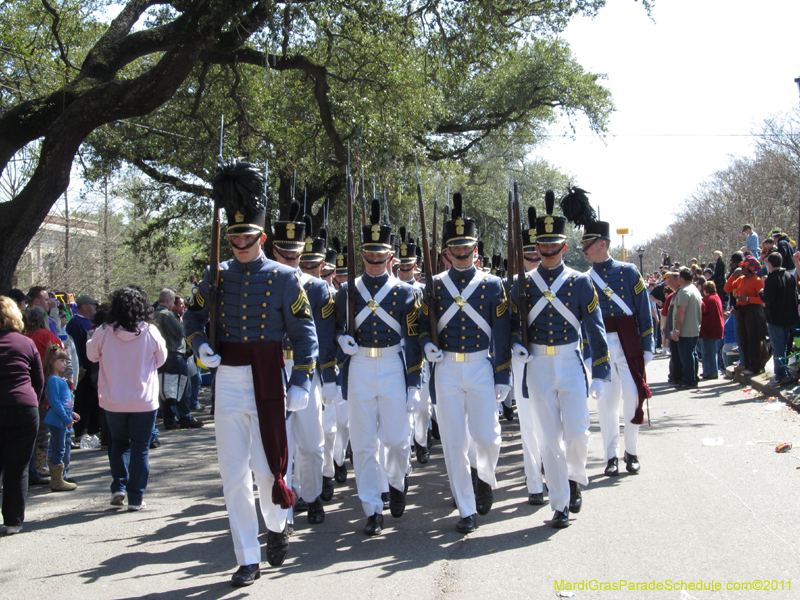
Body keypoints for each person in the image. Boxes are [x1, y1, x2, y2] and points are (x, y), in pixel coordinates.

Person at [183, 160, 318, 587]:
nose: (240, 243)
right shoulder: (215, 275)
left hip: (268, 377)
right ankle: (246, 556)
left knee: (265, 469)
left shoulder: (284, 278)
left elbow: (304, 331)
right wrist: (200, 344)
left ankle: (277, 526)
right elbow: (193, 316)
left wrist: (300, 380)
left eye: (247, 236)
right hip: (228, 378)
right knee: (232, 473)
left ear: (262, 237)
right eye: (234, 237)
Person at [511, 189, 610, 529]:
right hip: (537, 364)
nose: (548, 252)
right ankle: (559, 502)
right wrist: (515, 344)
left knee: (578, 434)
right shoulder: (522, 284)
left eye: (554, 247)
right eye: (543, 247)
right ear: (536, 248)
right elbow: (510, 323)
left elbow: (595, 330)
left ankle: (573, 478)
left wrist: (600, 371)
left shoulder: (580, 282)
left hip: (570, 362)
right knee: (549, 439)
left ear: (564, 247)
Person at [419, 193, 510, 534]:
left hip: (481, 366)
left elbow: (501, 333)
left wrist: (503, 375)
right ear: (445, 251)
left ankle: (485, 477)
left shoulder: (492, 286)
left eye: (466, 247)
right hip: (447, 369)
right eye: (454, 248)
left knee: (488, 438)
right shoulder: (433, 286)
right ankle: (466, 507)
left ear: (476, 248)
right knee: (455, 441)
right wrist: (427, 344)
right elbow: (420, 327)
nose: (460, 253)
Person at [334, 199, 422, 536]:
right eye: (368, 257)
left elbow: (413, 340)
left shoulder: (405, 294)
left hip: (391, 364)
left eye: (379, 258)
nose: (373, 263)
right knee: (364, 442)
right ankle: (371, 506)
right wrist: (342, 340)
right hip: (358, 365)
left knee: (398, 440)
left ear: (391, 258)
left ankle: (397, 481)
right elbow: (334, 330)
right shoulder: (346, 292)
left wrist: (415, 381)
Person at [581, 218, 653, 476]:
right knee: (606, 404)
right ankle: (611, 455)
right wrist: (588, 354)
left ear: (603, 244)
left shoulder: (629, 271)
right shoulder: (584, 279)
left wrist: (647, 345)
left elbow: (643, 310)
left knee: (633, 395)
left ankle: (631, 451)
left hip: (628, 343)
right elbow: (582, 323)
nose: (584, 250)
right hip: (601, 346)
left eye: (587, 244)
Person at [87, 287, 167, 512]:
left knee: (119, 444)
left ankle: (118, 487)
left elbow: (91, 354)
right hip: (143, 400)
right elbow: (161, 359)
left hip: (114, 398)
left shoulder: (104, 331)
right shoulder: (150, 331)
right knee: (140, 448)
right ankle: (136, 497)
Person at [0, 296, 44, 534]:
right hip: (24, 406)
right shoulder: (26, 343)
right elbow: (38, 380)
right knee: (18, 467)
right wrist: (32, 402)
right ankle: (13, 521)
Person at [154, 288, 202, 429]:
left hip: (159, 356)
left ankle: (169, 419)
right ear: (169, 300)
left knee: (165, 388)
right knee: (183, 386)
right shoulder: (167, 315)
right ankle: (185, 417)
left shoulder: (153, 314)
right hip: (174, 354)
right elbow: (180, 332)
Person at [42, 343, 79, 491]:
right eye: (61, 361)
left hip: (62, 419)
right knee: (59, 448)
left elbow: (64, 401)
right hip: (58, 420)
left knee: (63, 447)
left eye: (65, 361)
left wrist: (71, 414)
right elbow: (55, 402)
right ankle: (57, 480)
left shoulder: (59, 379)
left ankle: (61, 476)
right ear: (52, 362)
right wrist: (66, 418)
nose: (65, 364)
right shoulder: (53, 380)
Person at [760, 252, 800, 385]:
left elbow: (768, 299)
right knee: (787, 348)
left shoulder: (771, 279)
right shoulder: (789, 276)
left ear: (770, 264)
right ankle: (787, 372)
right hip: (789, 318)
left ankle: (780, 375)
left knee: (778, 348)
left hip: (776, 319)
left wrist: (761, 292)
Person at [724, 256, 767, 376]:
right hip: (741, 311)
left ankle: (754, 367)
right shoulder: (740, 279)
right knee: (743, 339)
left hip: (753, 311)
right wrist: (733, 275)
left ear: (749, 269)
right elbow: (727, 288)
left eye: (743, 267)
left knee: (753, 339)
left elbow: (762, 299)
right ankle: (747, 365)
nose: (741, 268)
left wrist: (748, 299)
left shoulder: (757, 281)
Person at [67, 294, 101, 440]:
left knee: (94, 401)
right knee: (83, 401)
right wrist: (79, 365)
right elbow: (74, 346)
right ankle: (79, 430)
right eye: (92, 304)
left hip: (93, 367)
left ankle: (93, 428)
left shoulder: (90, 322)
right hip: (85, 369)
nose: (94, 307)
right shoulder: (75, 323)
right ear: (84, 306)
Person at [670, 268, 703, 388]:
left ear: (682, 279)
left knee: (687, 356)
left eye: (679, 278)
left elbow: (681, 311)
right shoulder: (695, 290)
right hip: (694, 327)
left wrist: (677, 329)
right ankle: (693, 378)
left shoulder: (684, 292)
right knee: (693, 354)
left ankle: (689, 380)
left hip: (685, 329)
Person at [699, 281, 724, 379]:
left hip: (709, 329)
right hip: (716, 328)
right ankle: (708, 370)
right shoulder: (717, 298)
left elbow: (702, 310)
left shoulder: (707, 299)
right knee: (711, 350)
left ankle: (711, 372)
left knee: (708, 351)